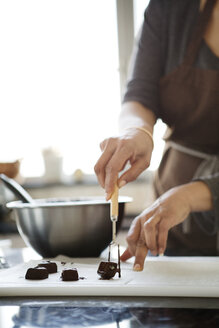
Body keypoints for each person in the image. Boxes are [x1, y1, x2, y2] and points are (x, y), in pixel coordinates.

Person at [94, 0, 219, 266]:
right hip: (172, 225)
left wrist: (187, 196)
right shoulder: (167, 8)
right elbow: (139, 94)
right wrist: (137, 131)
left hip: (176, 199)